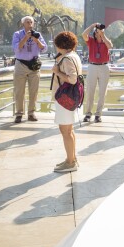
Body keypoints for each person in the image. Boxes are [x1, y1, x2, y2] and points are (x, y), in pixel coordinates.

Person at [50, 31, 82, 173]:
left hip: (65, 98)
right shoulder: (74, 56)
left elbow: (73, 79)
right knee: (69, 130)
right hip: (71, 97)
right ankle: (72, 158)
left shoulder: (67, 59)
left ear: (60, 44)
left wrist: (57, 72)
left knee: (65, 131)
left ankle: (70, 162)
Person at [12, 16, 47, 123]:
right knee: (19, 91)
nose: (30, 24)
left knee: (34, 91)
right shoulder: (17, 34)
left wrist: (36, 40)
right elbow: (16, 48)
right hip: (21, 65)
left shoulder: (38, 35)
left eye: (31, 22)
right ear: (23, 24)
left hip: (34, 66)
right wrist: (26, 38)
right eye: (27, 22)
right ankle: (19, 114)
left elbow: (44, 49)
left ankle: (31, 113)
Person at [81, 22, 113, 123]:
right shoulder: (91, 41)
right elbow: (84, 34)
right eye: (97, 32)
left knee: (103, 93)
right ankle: (88, 113)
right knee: (90, 91)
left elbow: (110, 46)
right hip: (92, 66)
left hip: (104, 66)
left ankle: (98, 114)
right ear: (94, 33)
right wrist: (92, 25)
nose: (98, 33)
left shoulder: (105, 41)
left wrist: (103, 35)